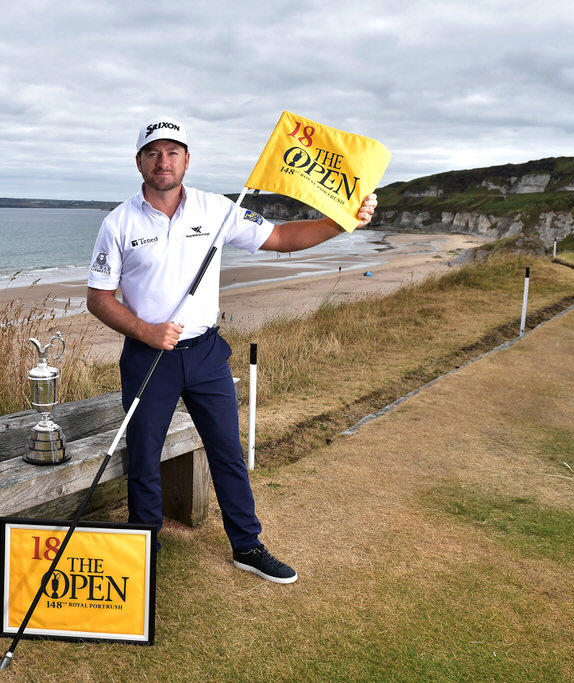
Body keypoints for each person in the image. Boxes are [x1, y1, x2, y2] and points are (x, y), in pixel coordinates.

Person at [86, 115, 377, 584]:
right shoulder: (117, 223)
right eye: (154, 152)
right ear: (139, 161)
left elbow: (281, 238)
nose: (164, 161)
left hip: (205, 354)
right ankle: (143, 547)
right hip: (149, 356)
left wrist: (343, 221)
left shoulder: (216, 208)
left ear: (187, 160)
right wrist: (145, 331)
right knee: (144, 457)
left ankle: (247, 545)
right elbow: (98, 298)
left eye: (173, 152)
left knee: (227, 451)